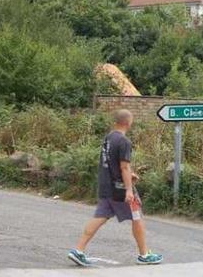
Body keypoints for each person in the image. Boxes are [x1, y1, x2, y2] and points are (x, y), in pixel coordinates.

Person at [68, 109, 163, 266]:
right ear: (128, 122)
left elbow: (112, 163)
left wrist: (129, 175)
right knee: (137, 216)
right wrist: (129, 189)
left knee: (99, 217)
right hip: (120, 189)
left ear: (116, 121)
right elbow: (124, 167)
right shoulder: (124, 141)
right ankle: (144, 254)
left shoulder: (109, 138)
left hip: (106, 185)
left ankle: (78, 250)